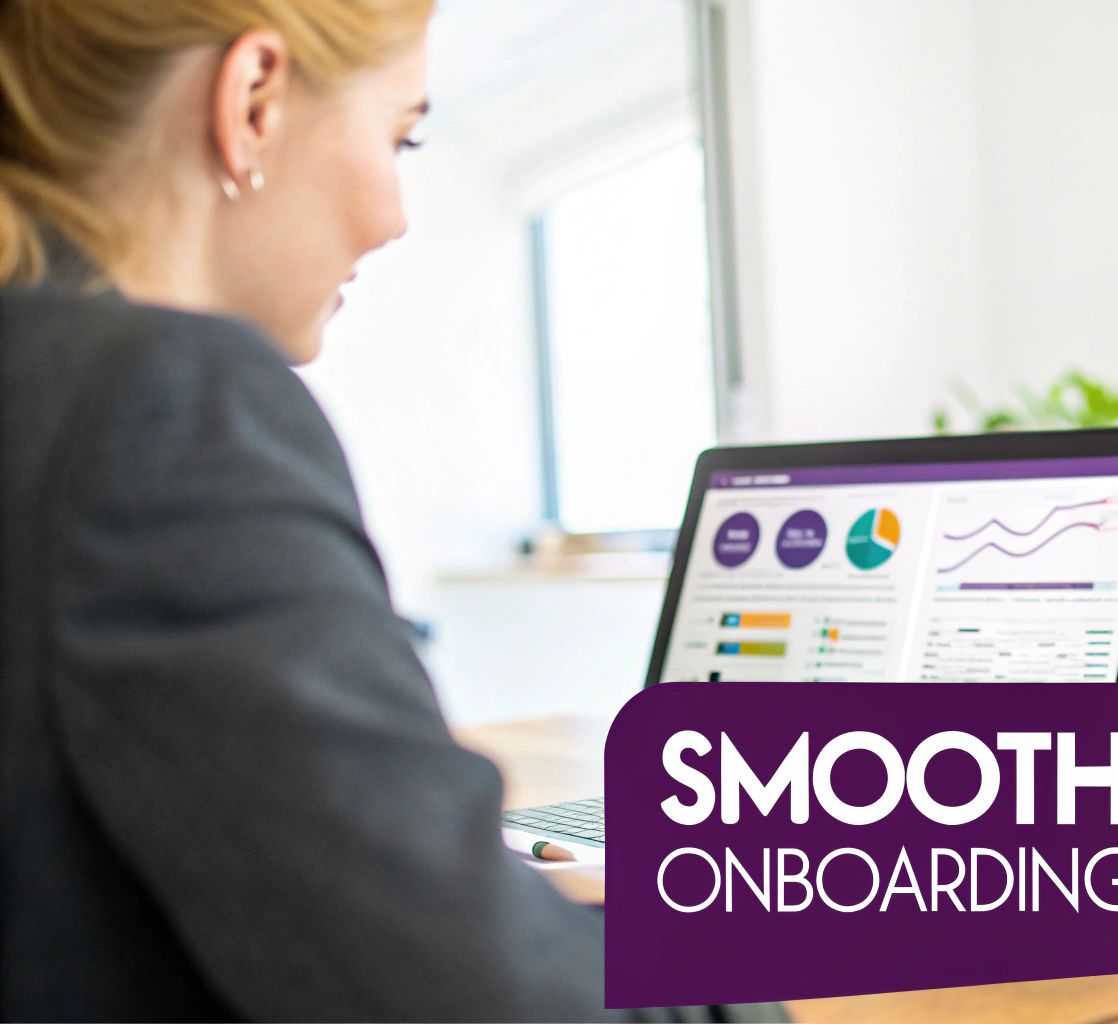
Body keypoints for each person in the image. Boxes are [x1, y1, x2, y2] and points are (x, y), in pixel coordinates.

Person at [0, 2, 780, 1020]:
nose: (396, 216)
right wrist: (804, 980)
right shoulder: (158, 407)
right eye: (399, 136)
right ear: (253, 99)